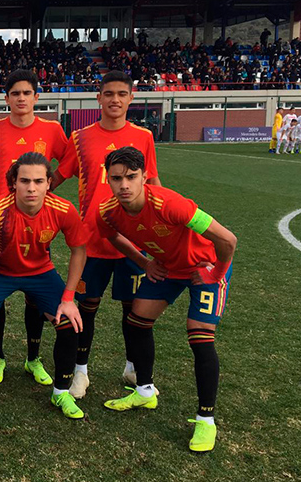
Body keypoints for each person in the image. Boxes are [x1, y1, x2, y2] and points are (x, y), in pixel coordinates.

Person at [95, 146, 237, 453]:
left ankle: (206, 419)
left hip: (204, 267)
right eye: (117, 178)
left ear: (145, 177)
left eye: (132, 177)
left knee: (199, 336)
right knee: (137, 321)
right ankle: (145, 391)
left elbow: (227, 239)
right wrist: (144, 262)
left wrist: (215, 273)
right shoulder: (108, 211)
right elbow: (110, 235)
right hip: (169, 269)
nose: (124, 185)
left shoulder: (171, 204)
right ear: (108, 179)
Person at [56, 70, 160, 400]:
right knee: (86, 306)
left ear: (131, 98)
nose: (115, 99)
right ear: (98, 98)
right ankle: (81, 373)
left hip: (133, 240)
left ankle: (132, 367)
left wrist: (165, 227)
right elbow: (58, 175)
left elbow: (154, 183)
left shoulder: (143, 136)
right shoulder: (81, 137)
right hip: (91, 240)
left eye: (121, 94)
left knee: (134, 308)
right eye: (108, 93)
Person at [0, 152, 90, 419]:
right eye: (24, 181)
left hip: (40, 272)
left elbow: (79, 250)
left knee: (70, 323)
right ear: (13, 183)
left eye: (38, 181)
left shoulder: (63, 210)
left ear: (48, 183)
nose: (31, 188)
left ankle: (61, 393)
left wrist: (68, 298)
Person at [0, 69, 73, 387]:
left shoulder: (52, 129)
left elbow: (70, 159)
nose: (21, 98)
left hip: (36, 222)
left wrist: (49, 188)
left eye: (26, 93)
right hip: (0, 224)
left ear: (36, 97)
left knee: (35, 293)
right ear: (6, 99)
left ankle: (34, 358)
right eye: (15, 93)